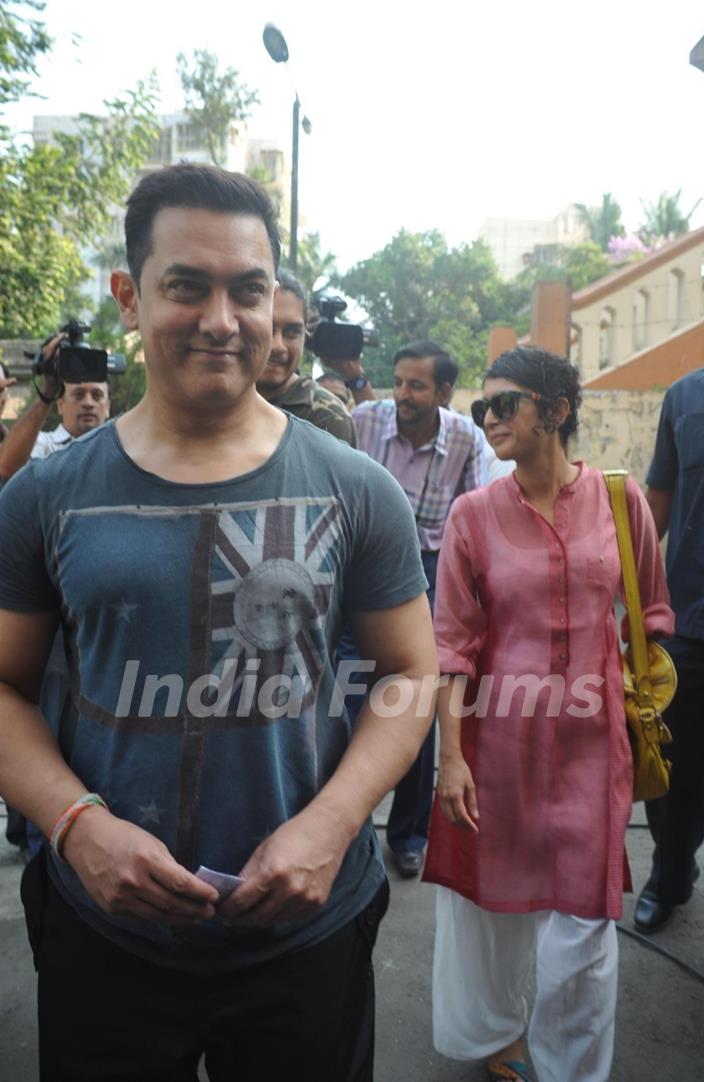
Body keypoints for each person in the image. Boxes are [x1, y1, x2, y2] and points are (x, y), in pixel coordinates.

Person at [0, 163, 438, 1082]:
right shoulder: (45, 497)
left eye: (247, 290)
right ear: (130, 296)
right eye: (185, 286)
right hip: (104, 932)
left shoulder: (357, 490)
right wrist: (75, 824)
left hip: (306, 933)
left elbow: (409, 673)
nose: (221, 319)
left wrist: (334, 823)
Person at [422, 346, 673, 1082]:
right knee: (489, 907)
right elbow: (451, 646)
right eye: (481, 408)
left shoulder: (621, 503)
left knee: (585, 922)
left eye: (506, 403)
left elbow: (651, 613)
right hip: (496, 739)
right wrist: (450, 756)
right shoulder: (473, 516)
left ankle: (571, 1067)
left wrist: (642, 696)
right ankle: (495, 1036)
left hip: (596, 745)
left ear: (557, 410)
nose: (489, 418)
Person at [329, 342, 512, 878]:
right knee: (344, 694)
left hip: (426, 568)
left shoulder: (465, 437)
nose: (402, 395)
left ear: (445, 393)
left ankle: (408, 834)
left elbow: (472, 515)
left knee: (414, 698)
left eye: (416, 386)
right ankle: (342, 824)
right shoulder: (362, 420)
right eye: (399, 382)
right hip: (358, 564)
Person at [633, 271, 704, 933]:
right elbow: (655, 504)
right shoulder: (686, 399)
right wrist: (622, 598)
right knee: (673, 769)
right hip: (692, 623)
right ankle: (669, 873)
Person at [256, 269, 357, 445]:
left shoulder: (326, 418)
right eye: (267, 328)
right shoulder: (217, 399)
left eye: (292, 332)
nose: (278, 346)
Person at [0, 349, 110, 482]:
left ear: (108, 406)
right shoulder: (37, 445)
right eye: (78, 395)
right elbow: (7, 468)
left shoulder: (122, 450)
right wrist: (47, 390)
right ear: (60, 405)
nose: (88, 403)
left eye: (96, 395)